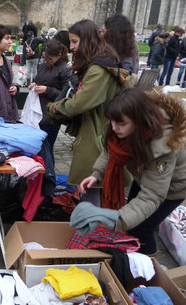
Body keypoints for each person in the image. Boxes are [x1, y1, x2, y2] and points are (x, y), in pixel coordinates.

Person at [76, 87, 186, 255]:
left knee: (141, 230)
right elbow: (110, 150)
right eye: (112, 122)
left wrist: (115, 219)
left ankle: (148, 268)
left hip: (172, 189)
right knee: (132, 219)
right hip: (143, 177)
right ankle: (131, 252)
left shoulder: (162, 147)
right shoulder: (122, 125)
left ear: (140, 121)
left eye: (121, 124)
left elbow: (152, 196)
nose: (114, 128)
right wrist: (96, 174)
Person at [47, 19, 132, 193]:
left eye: (75, 41)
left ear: (87, 40)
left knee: (92, 191)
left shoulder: (98, 69)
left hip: (97, 134)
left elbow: (80, 103)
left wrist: (54, 107)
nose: (71, 47)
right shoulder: (98, 64)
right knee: (94, 190)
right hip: (98, 130)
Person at [28, 39, 71, 161]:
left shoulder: (64, 70)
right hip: (37, 111)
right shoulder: (43, 65)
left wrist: (47, 90)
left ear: (59, 55)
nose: (46, 61)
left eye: (50, 59)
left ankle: (48, 174)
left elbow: (66, 95)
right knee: (36, 148)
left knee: (46, 148)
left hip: (51, 115)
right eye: (44, 58)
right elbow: (39, 79)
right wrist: (34, 84)